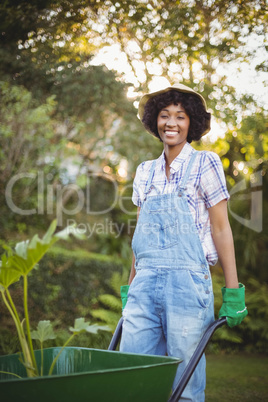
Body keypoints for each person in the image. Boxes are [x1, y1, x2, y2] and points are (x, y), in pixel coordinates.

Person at [119, 83, 248, 401]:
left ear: (191, 123)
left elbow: (221, 228)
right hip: (145, 286)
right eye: (164, 115)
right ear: (155, 121)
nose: (171, 123)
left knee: (185, 385)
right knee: (131, 373)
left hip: (187, 285)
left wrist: (233, 291)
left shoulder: (205, 164)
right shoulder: (145, 172)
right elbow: (142, 235)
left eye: (180, 116)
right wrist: (130, 285)